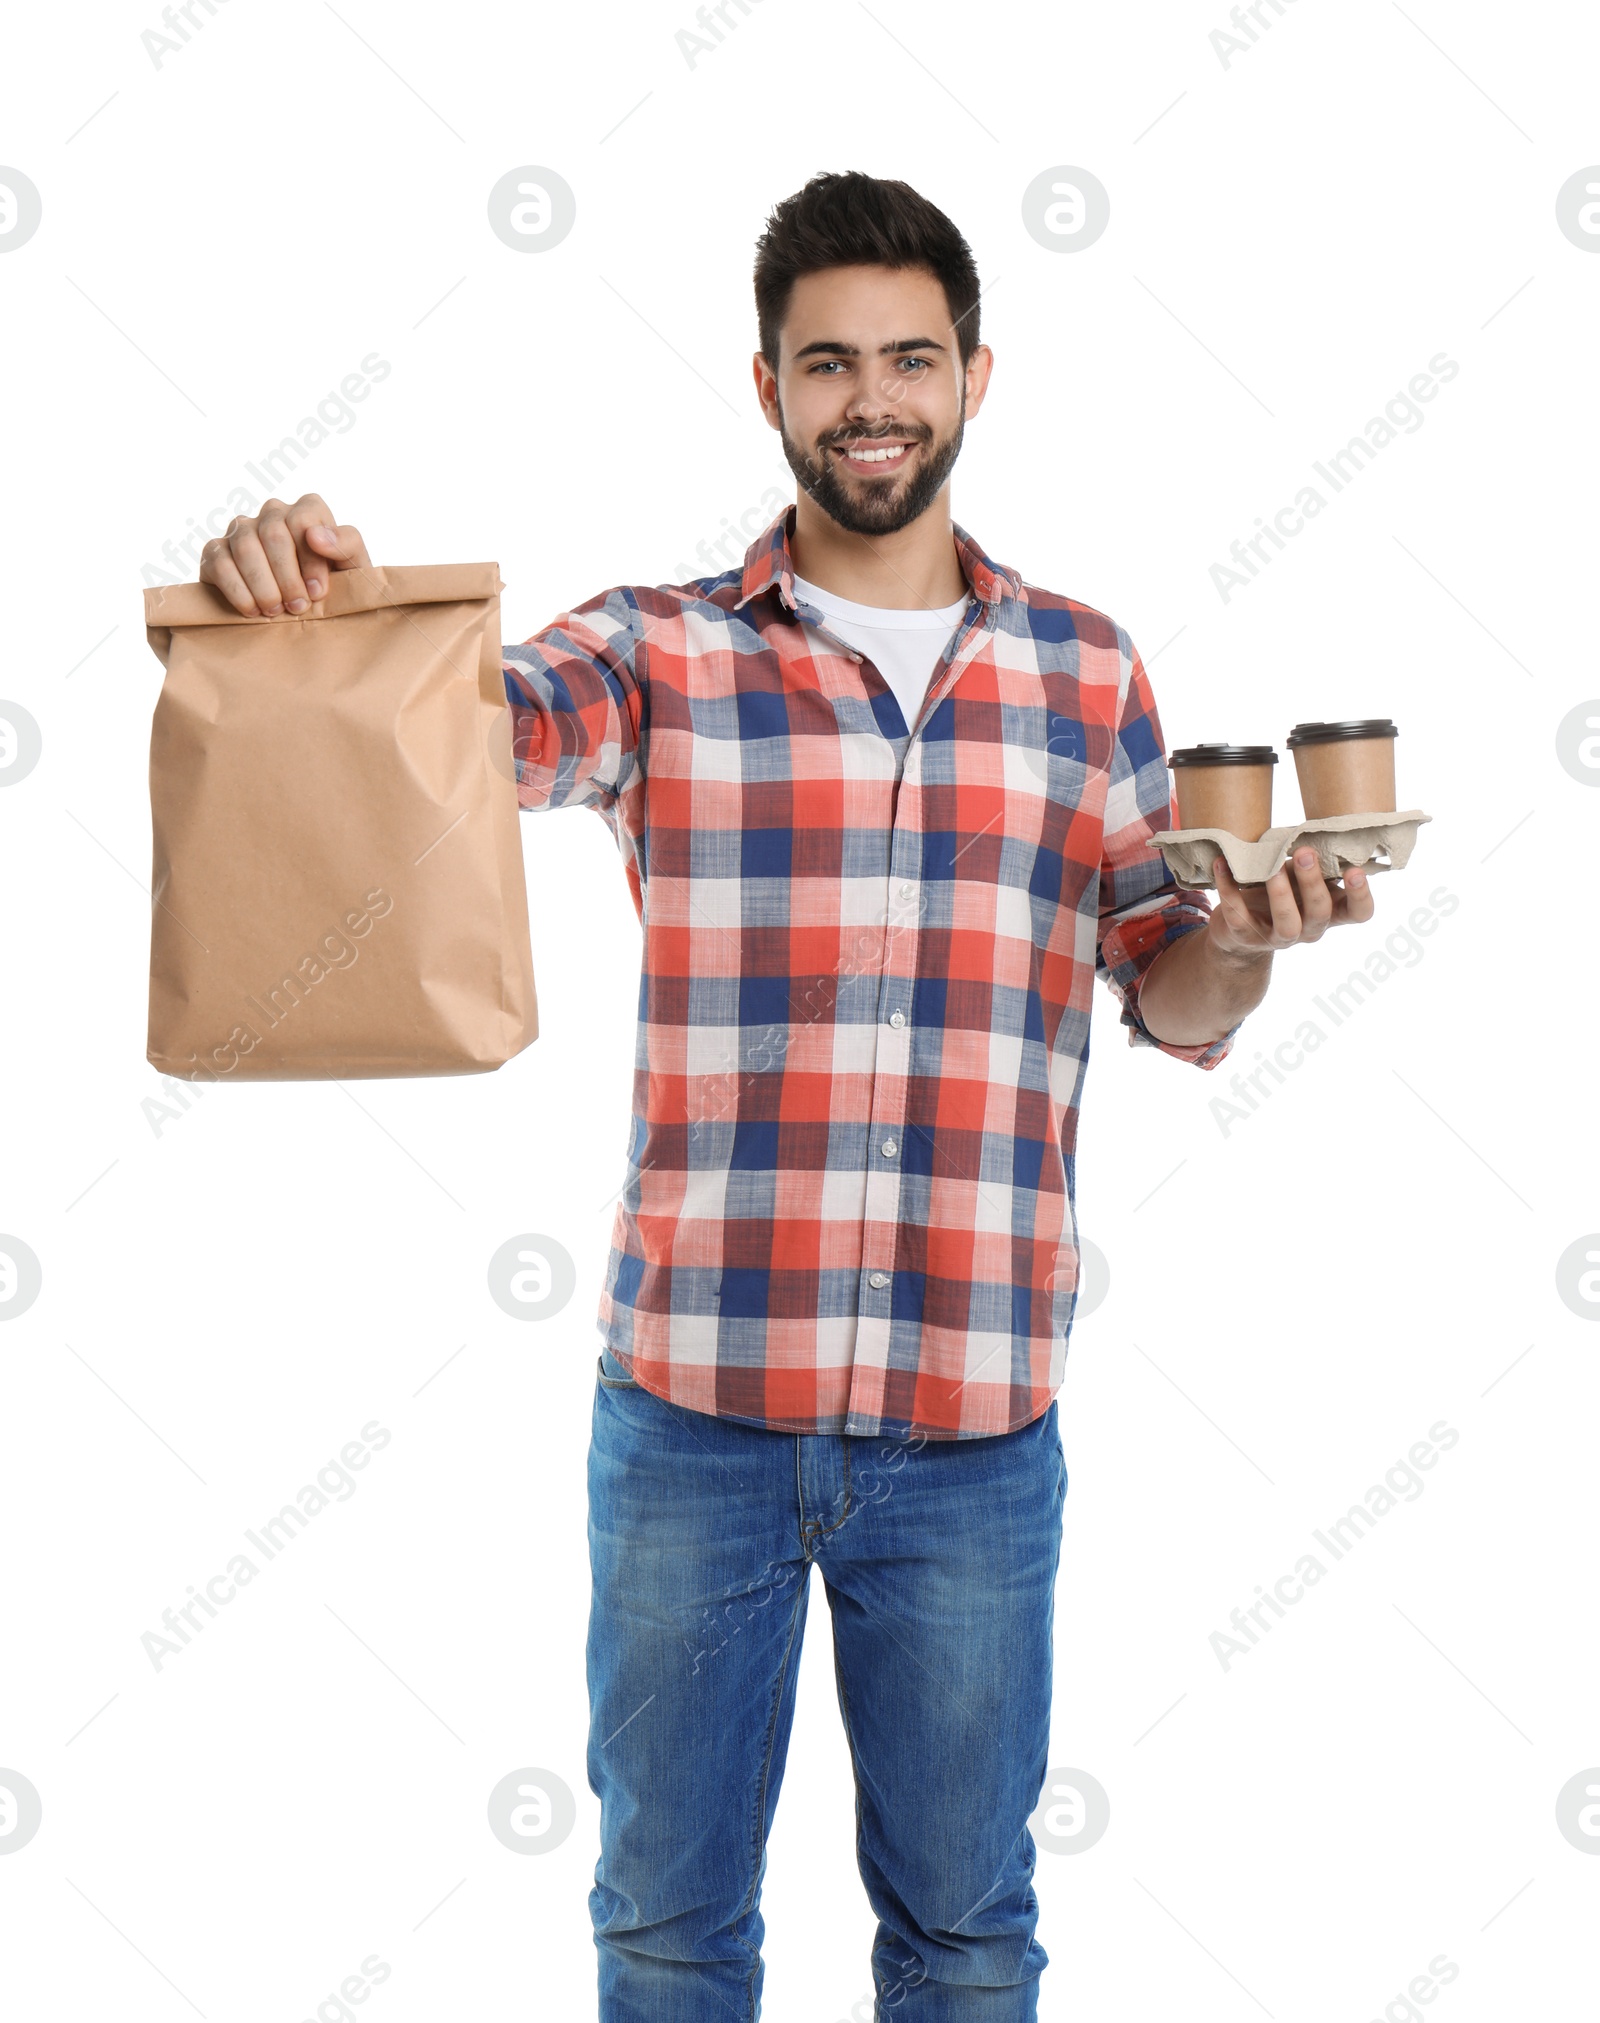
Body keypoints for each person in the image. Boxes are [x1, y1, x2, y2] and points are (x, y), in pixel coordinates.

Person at [199, 169, 1375, 2021]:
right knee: (667, 1934)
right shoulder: (659, 651)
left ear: (980, 373)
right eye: (828, 362)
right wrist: (303, 597)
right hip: (695, 1421)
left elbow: (1178, 988)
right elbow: (447, 726)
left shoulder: (1086, 672)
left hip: (973, 1433)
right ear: (768, 389)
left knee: (969, 1940)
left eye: (911, 355)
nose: (872, 396)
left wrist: (1265, 939)